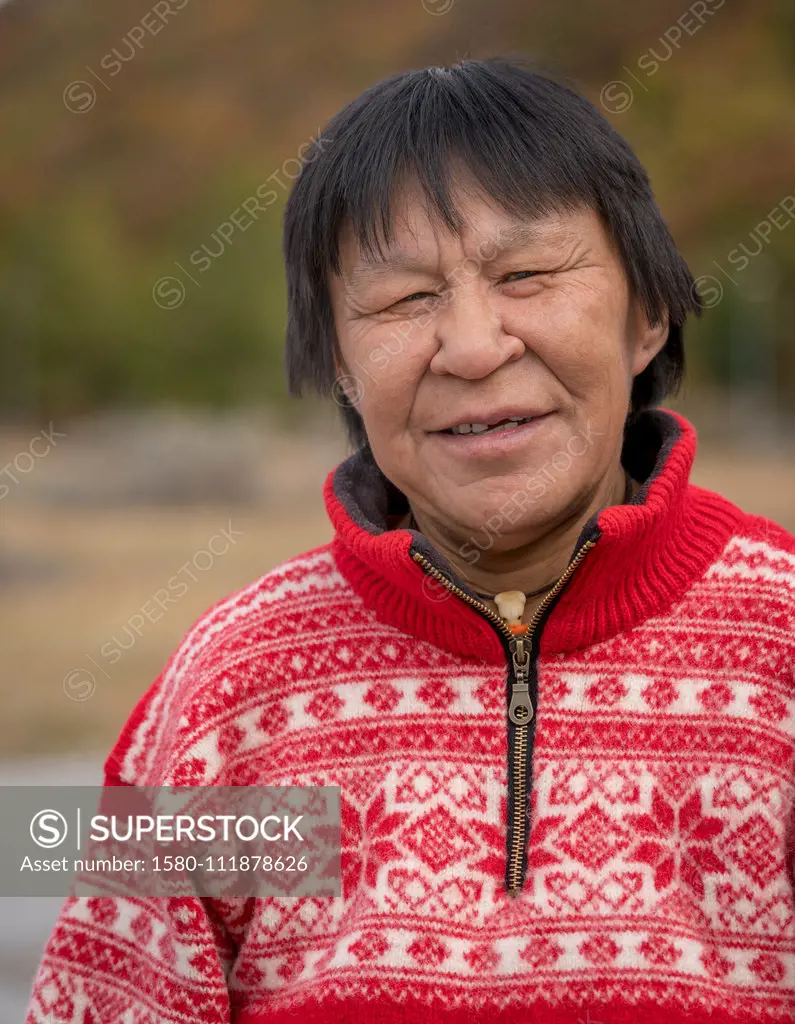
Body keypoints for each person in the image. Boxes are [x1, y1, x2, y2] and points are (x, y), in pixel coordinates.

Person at [27, 56, 795, 1024]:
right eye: (403, 300)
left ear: (647, 315)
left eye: (526, 274)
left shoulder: (783, 647)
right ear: (341, 367)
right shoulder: (228, 694)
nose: (473, 347)